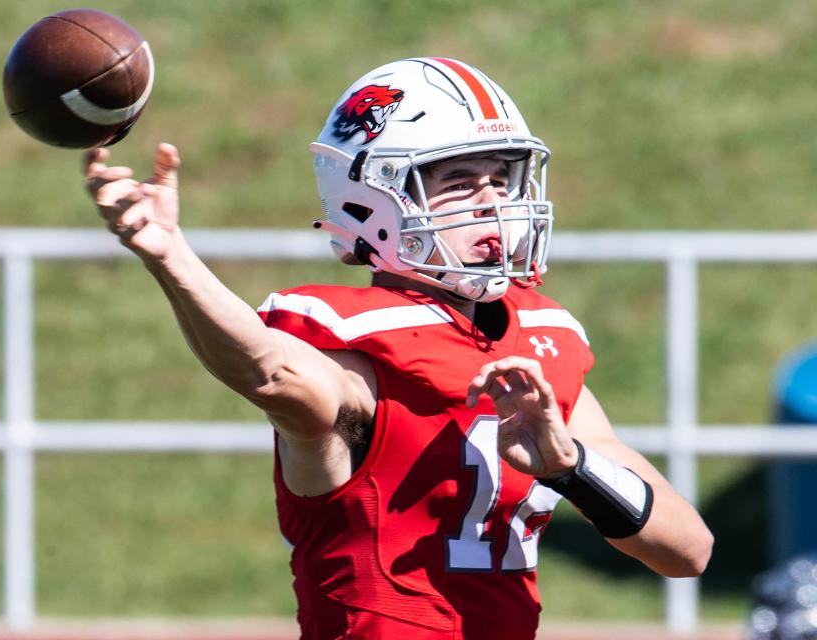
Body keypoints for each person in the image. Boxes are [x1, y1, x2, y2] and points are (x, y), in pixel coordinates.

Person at [83, 57, 713, 640]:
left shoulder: (539, 344)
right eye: (460, 183)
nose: (494, 203)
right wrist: (171, 257)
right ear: (375, 196)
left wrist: (570, 465)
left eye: (502, 177)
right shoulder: (356, 351)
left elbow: (687, 551)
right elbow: (270, 371)